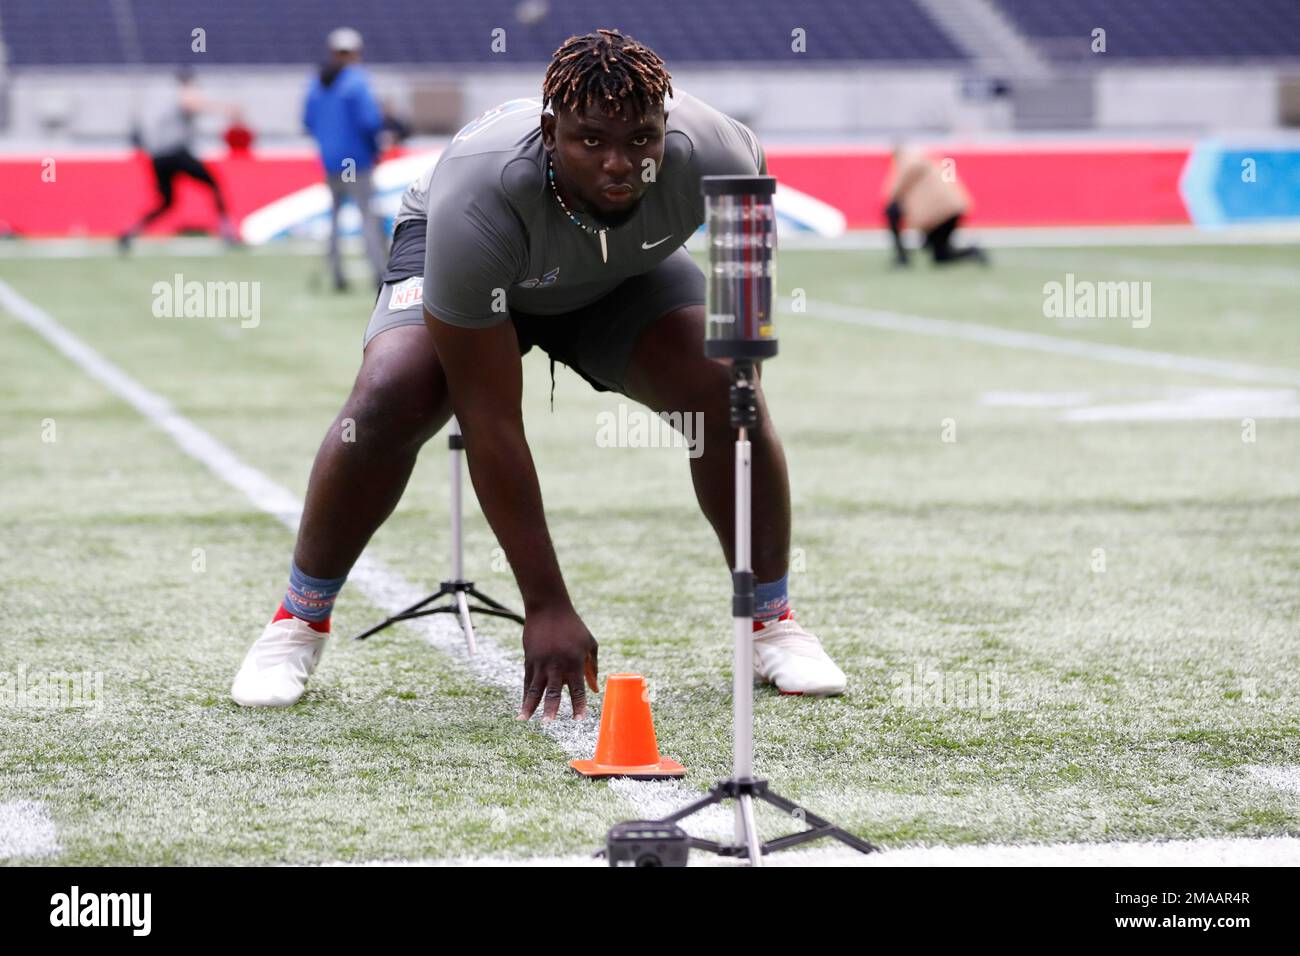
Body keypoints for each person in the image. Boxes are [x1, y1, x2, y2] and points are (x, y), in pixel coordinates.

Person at [231, 29, 847, 716]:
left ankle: (772, 620)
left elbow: (744, 338)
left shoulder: (728, 157)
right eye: (590, 141)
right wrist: (546, 604)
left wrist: (738, 366)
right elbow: (490, 419)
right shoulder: (480, 192)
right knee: (389, 397)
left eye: (642, 141)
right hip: (482, 261)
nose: (620, 165)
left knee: (729, 392)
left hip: (614, 276)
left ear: (666, 127)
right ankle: (298, 619)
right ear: (550, 131)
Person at [303, 27, 386, 292]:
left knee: (335, 217)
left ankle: (336, 274)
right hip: (358, 160)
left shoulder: (317, 82)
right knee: (367, 217)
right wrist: (375, 149)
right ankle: (379, 272)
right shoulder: (357, 81)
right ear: (355, 52)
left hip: (330, 162)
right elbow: (370, 121)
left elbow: (308, 121)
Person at [118, 67, 238, 251]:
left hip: (159, 157)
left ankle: (131, 231)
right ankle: (227, 231)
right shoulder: (182, 94)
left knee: (166, 202)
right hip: (175, 154)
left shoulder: (164, 98)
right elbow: (191, 103)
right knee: (214, 185)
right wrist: (225, 109)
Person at [883, 145, 986, 267]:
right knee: (941, 256)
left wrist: (891, 195)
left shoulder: (909, 160)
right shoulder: (924, 161)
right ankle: (971, 252)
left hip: (941, 214)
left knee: (891, 211)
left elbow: (907, 175)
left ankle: (903, 257)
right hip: (947, 210)